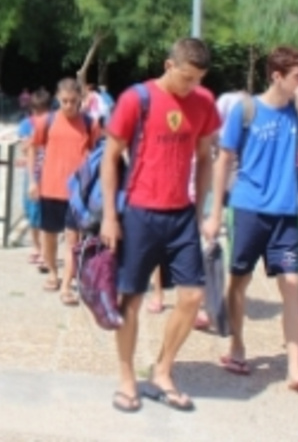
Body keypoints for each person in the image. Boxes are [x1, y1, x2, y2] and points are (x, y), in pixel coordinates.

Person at [100, 38, 221, 414]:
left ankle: (163, 370)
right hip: (139, 212)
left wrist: (200, 208)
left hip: (181, 213)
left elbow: (205, 157)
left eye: (198, 79)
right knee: (130, 301)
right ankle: (126, 378)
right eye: (185, 77)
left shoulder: (203, 103)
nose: (191, 86)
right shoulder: (137, 99)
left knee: (191, 296)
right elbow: (110, 157)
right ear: (169, 65)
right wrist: (109, 215)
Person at [203, 46, 298, 396]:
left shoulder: (297, 114)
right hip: (248, 210)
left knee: (291, 283)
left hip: (285, 215)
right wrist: (214, 215)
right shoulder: (246, 110)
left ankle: (295, 368)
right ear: (277, 76)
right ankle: (237, 347)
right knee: (239, 281)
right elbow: (224, 160)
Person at [30, 78, 100, 304]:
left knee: (73, 238)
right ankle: (52, 272)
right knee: (49, 236)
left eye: (73, 101)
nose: (69, 105)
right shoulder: (47, 122)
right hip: (50, 187)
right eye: (64, 101)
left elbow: (98, 154)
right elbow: (32, 148)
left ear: (80, 99)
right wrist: (33, 180)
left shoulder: (90, 124)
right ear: (57, 99)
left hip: (77, 192)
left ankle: (67, 285)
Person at [18, 92, 47, 270]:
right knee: (32, 213)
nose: (40, 116)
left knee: (45, 215)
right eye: (37, 112)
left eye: (43, 112)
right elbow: (23, 148)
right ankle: (35, 246)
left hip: (49, 175)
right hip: (32, 174)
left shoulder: (53, 124)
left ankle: (44, 250)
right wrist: (34, 139)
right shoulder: (25, 125)